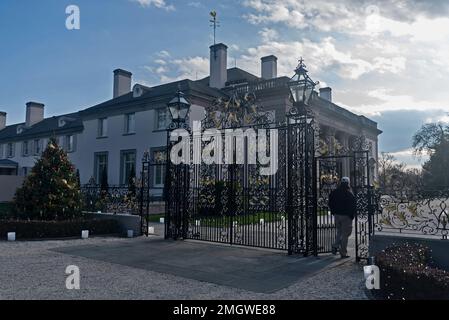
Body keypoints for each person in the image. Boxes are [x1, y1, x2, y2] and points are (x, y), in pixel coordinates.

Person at [328, 177, 357, 259]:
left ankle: (335, 245)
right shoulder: (349, 193)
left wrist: (333, 212)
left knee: (339, 232)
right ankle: (343, 252)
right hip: (346, 216)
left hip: (337, 215)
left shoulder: (334, 192)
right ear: (348, 183)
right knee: (346, 234)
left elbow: (330, 202)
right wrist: (352, 215)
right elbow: (353, 205)